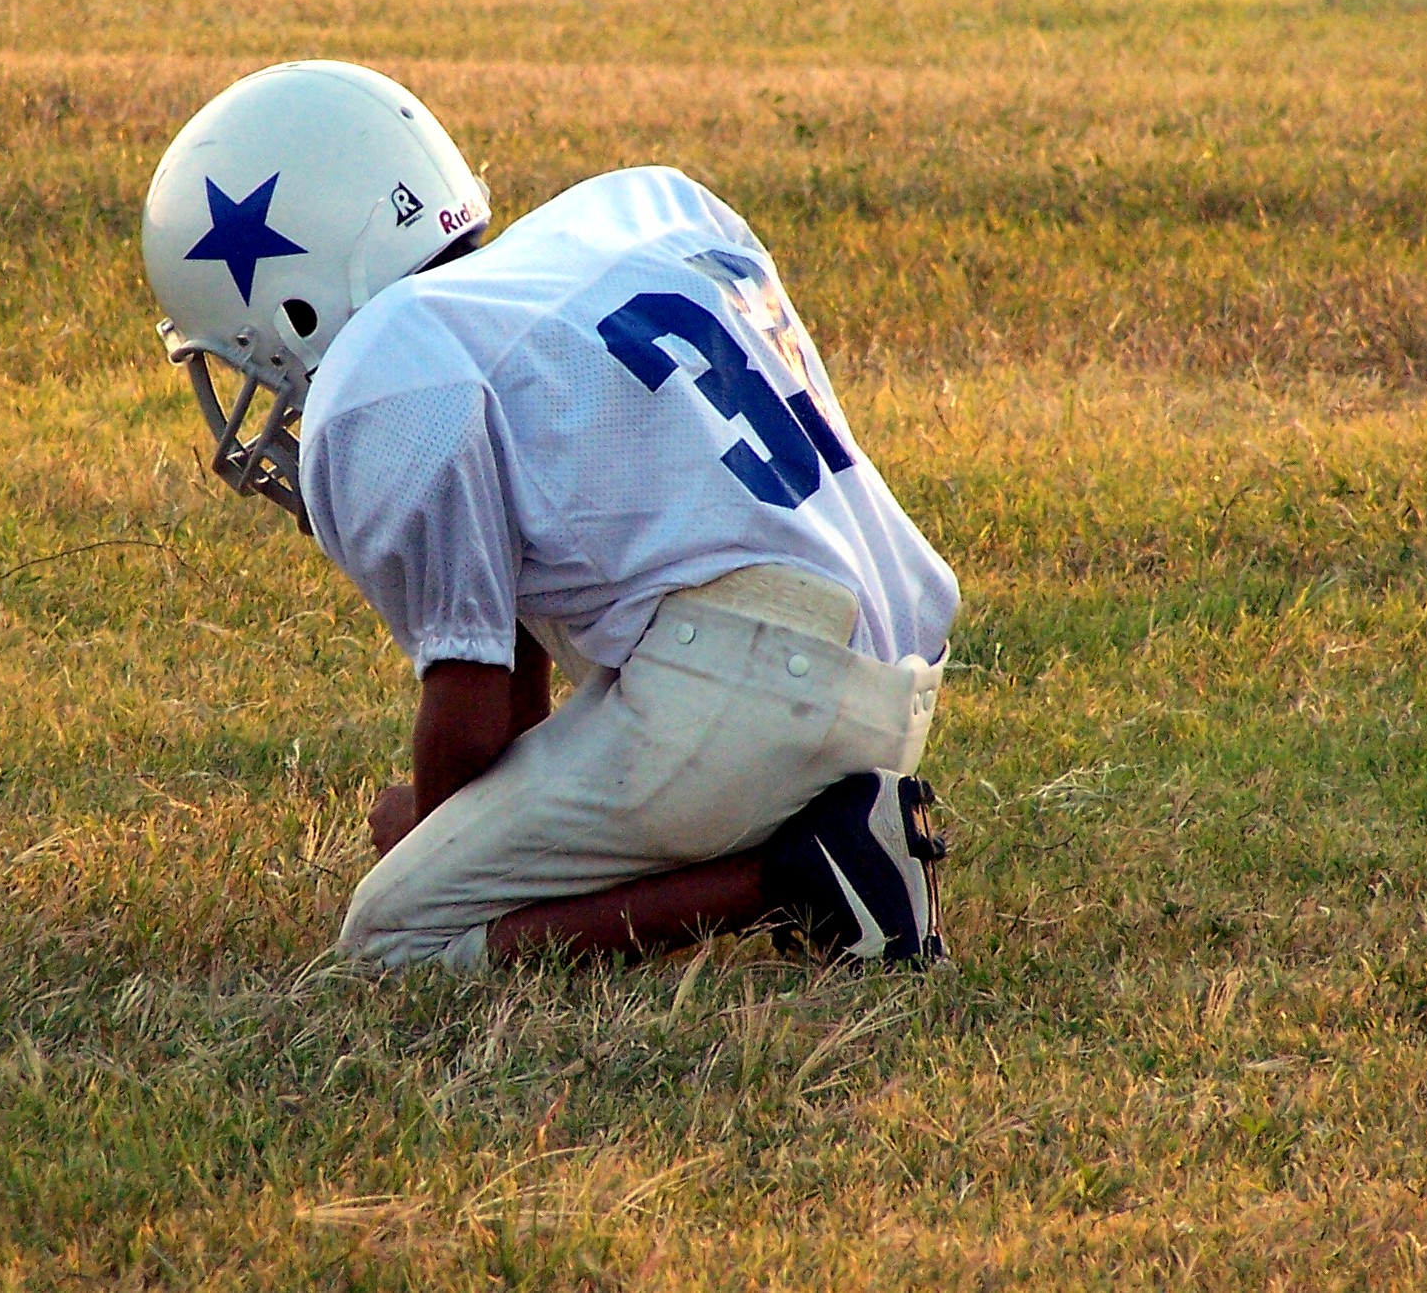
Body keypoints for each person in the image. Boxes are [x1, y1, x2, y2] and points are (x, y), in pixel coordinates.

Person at [141, 60, 960, 972]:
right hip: (884, 676)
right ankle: (823, 829)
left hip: (754, 690)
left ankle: (809, 873)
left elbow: (473, 700)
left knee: (394, 940)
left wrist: (432, 827)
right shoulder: (643, 211)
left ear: (291, 293)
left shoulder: (391, 365)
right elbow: (508, 644)